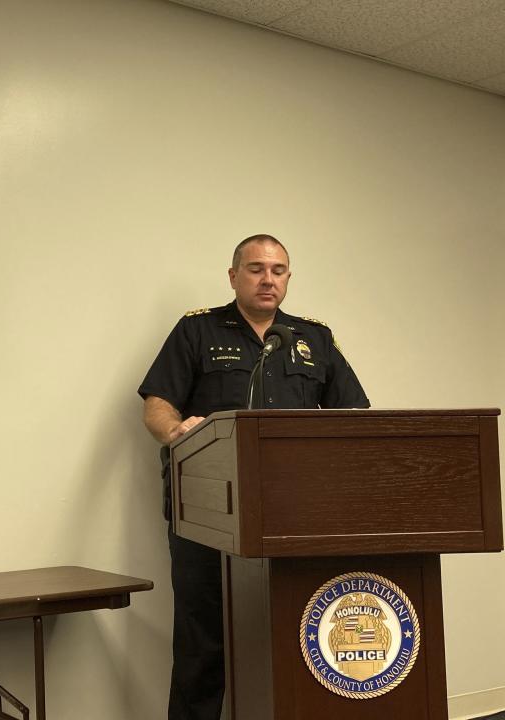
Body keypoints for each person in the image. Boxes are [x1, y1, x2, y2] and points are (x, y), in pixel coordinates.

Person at [138, 234, 370, 720]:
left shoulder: (313, 337)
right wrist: (176, 431)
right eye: (257, 268)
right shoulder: (197, 330)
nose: (269, 279)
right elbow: (158, 405)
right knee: (202, 636)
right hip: (206, 510)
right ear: (233, 276)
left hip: (294, 510)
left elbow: (354, 415)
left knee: (297, 625)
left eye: (279, 270)